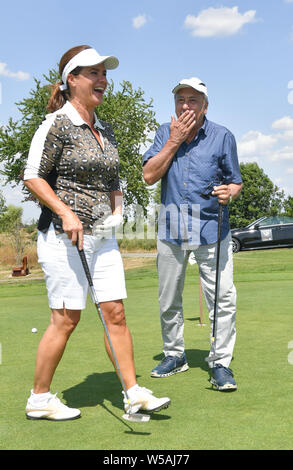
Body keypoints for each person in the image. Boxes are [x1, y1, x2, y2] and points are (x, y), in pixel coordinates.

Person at [23, 45, 170, 420]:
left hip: (103, 238)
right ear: (72, 80)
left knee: (115, 313)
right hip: (63, 237)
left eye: (105, 73)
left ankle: (133, 392)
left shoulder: (105, 129)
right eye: (94, 73)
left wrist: (117, 210)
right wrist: (65, 212)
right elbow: (33, 176)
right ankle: (39, 399)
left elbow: (113, 179)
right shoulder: (55, 124)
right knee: (66, 318)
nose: (103, 80)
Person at [142, 77, 243, 391]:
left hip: (212, 229)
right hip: (171, 228)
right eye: (180, 100)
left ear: (205, 105)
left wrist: (231, 192)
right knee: (168, 298)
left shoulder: (223, 136)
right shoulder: (163, 133)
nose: (186, 105)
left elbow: (235, 181)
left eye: (193, 100)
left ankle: (220, 362)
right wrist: (174, 140)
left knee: (223, 299)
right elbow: (148, 176)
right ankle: (175, 355)